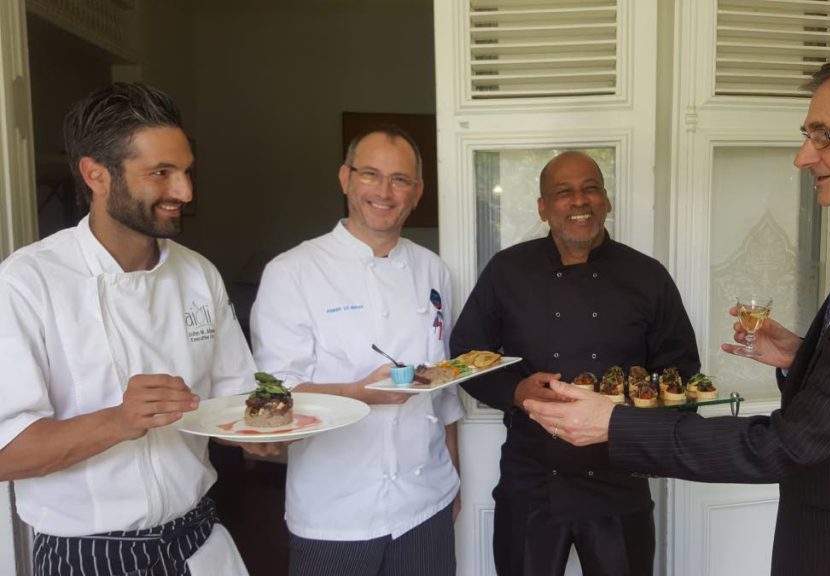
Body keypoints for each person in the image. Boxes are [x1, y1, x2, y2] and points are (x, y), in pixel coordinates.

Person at [524, 48, 830, 576]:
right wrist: (804, 356)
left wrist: (615, 423)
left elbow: (788, 444)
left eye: (825, 135)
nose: (804, 156)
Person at [0, 83, 255, 575]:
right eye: (161, 173)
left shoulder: (198, 272)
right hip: (89, 556)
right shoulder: (27, 283)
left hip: (201, 542)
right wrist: (118, 421)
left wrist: (263, 434)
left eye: (185, 172)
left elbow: (234, 403)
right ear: (96, 174)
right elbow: (6, 454)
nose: (184, 192)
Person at [451, 150, 701, 576]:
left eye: (590, 189)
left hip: (619, 483)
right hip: (531, 480)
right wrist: (515, 390)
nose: (579, 202)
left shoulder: (647, 276)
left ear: (607, 200)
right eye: (563, 193)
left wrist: (644, 423)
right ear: (543, 207)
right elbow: (465, 354)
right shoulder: (507, 270)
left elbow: (681, 372)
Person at [250, 126, 463, 576]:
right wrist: (359, 391)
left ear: (418, 192)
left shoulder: (433, 270)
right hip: (334, 513)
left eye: (401, 179)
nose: (384, 192)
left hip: (427, 502)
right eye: (370, 174)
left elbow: (444, 388)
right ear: (345, 178)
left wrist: (454, 481)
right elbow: (277, 394)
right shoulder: (292, 272)